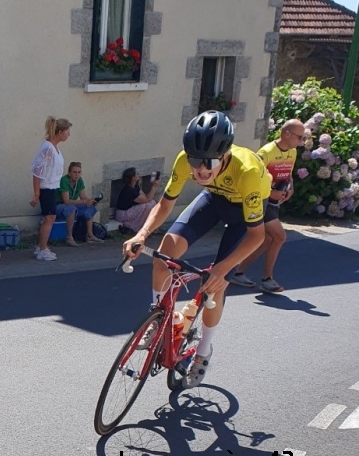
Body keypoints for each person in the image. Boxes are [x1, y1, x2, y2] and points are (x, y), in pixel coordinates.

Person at [123, 111, 272, 389]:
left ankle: (203, 352)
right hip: (214, 199)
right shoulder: (184, 161)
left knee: (215, 285)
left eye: (210, 163)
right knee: (165, 252)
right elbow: (164, 205)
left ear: (225, 155)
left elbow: (257, 236)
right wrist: (141, 234)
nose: (201, 170)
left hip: (245, 213)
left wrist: (223, 269)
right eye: (195, 162)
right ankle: (158, 318)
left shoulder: (248, 171)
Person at [230, 119, 305, 293]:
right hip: (261, 201)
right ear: (287, 134)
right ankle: (267, 279)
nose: (301, 142)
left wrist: (290, 189)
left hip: (274, 202)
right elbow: (252, 177)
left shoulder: (292, 152)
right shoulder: (267, 152)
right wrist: (271, 193)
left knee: (266, 240)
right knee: (280, 237)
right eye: (299, 137)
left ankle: (237, 271)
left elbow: (288, 173)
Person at [29, 116, 72, 261]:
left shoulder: (54, 148)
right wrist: (36, 194)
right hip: (46, 188)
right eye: (67, 131)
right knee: (49, 217)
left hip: (52, 187)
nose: (68, 134)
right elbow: (37, 172)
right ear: (59, 132)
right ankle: (42, 249)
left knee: (50, 217)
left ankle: (42, 246)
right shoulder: (47, 149)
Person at [56, 162, 103, 246]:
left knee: (90, 208)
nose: (77, 175)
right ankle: (69, 237)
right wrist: (83, 201)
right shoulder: (64, 180)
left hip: (72, 205)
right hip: (59, 205)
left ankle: (89, 235)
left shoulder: (79, 180)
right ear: (69, 173)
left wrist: (90, 201)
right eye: (74, 172)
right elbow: (66, 201)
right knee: (71, 209)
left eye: (79, 172)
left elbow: (83, 197)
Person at [115, 167, 160, 233]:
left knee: (152, 203)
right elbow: (146, 199)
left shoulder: (135, 186)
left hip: (130, 210)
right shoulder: (129, 191)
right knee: (145, 206)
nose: (138, 174)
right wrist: (154, 186)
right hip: (122, 214)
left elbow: (145, 197)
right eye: (136, 174)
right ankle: (135, 227)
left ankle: (149, 225)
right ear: (133, 178)